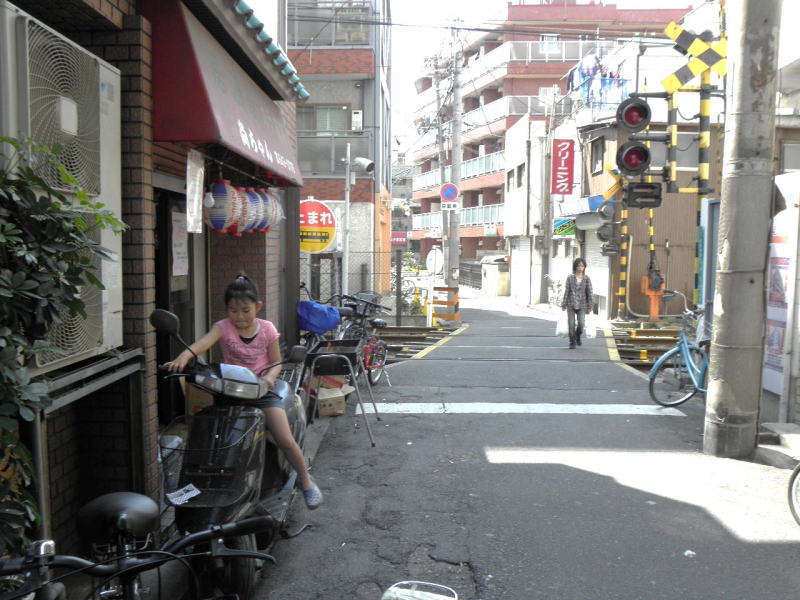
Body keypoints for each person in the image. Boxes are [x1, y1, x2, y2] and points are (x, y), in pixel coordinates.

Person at [165, 273, 323, 510]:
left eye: (245, 310)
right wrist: (184, 356)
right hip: (229, 391)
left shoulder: (267, 329)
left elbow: (277, 362)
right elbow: (202, 344)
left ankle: (306, 481)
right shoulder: (222, 328)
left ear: (257, 307)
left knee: (285, 439)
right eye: (233, 310)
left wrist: (269, 378)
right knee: (210, 437)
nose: (239, 317)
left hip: (260, 391)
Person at [561, 257, 593, 350]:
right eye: (578, 266)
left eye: (582, 266)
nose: (580, 268)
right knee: (571, 324)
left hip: (582, 304)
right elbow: (567, 291)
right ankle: (572, 341)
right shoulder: (570, 277)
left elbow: (590, 292)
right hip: (571, 303)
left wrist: (590, 305)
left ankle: (578, 335)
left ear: (584, 267)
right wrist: (564, 304)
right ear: (575, 267)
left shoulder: (587, 278)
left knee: (581, 323)